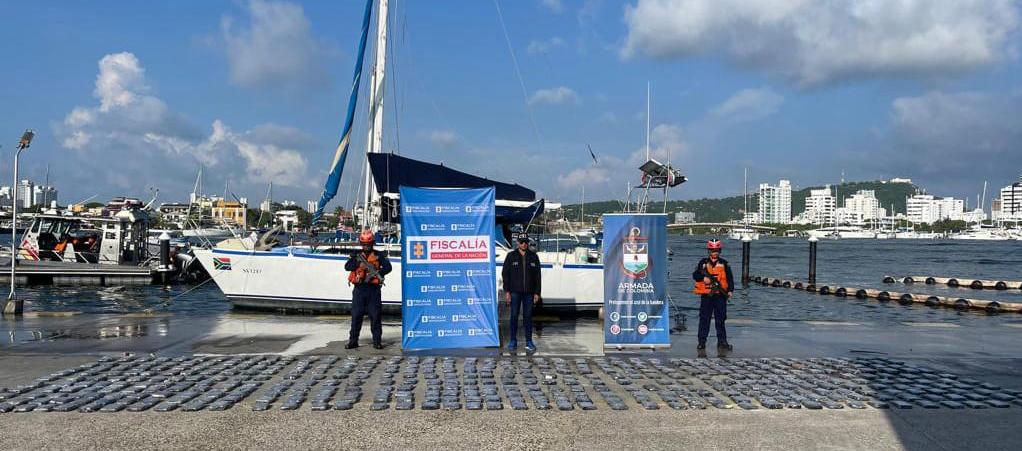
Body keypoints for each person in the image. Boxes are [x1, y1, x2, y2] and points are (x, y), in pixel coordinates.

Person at [344, 229, 392, 350]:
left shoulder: (378, 255)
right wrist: (358, 265)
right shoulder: (356, 256)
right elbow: (347, 266)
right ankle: (353, 341)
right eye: (364, 244)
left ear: (372, 243)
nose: (366, 246)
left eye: (368, 244)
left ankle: (377, 341)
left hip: (373, 290)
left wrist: (377, 273)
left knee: (375, 317)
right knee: (356, 317)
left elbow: (388, 267)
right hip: (359, 290)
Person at [501, 232, 542, 352]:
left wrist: (537, 293)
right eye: (522, 242)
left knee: (528, 317)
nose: (524, 244)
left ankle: (529, 341)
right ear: (517, 243)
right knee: (514, 316)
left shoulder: (534, 256)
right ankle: (513, 340)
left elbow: (538, 277)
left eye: (526, 242)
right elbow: (505, 275)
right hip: (515, 292)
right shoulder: (511, 256)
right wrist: (507, 291)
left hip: (529, 293)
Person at [692, 239, 734, 351]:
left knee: (720, 319)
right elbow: (695, 275)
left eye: (716, 250)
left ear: (720, 251)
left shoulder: (725, 263)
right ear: (709, 251)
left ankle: (722, 342)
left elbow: (730, 278)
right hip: (707, 296)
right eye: (712, 250)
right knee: (704, 319)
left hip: (720, 296)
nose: (714, 253)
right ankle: (701, 342)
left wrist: (730, 291)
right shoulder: (703, 263)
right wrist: (703, 278)